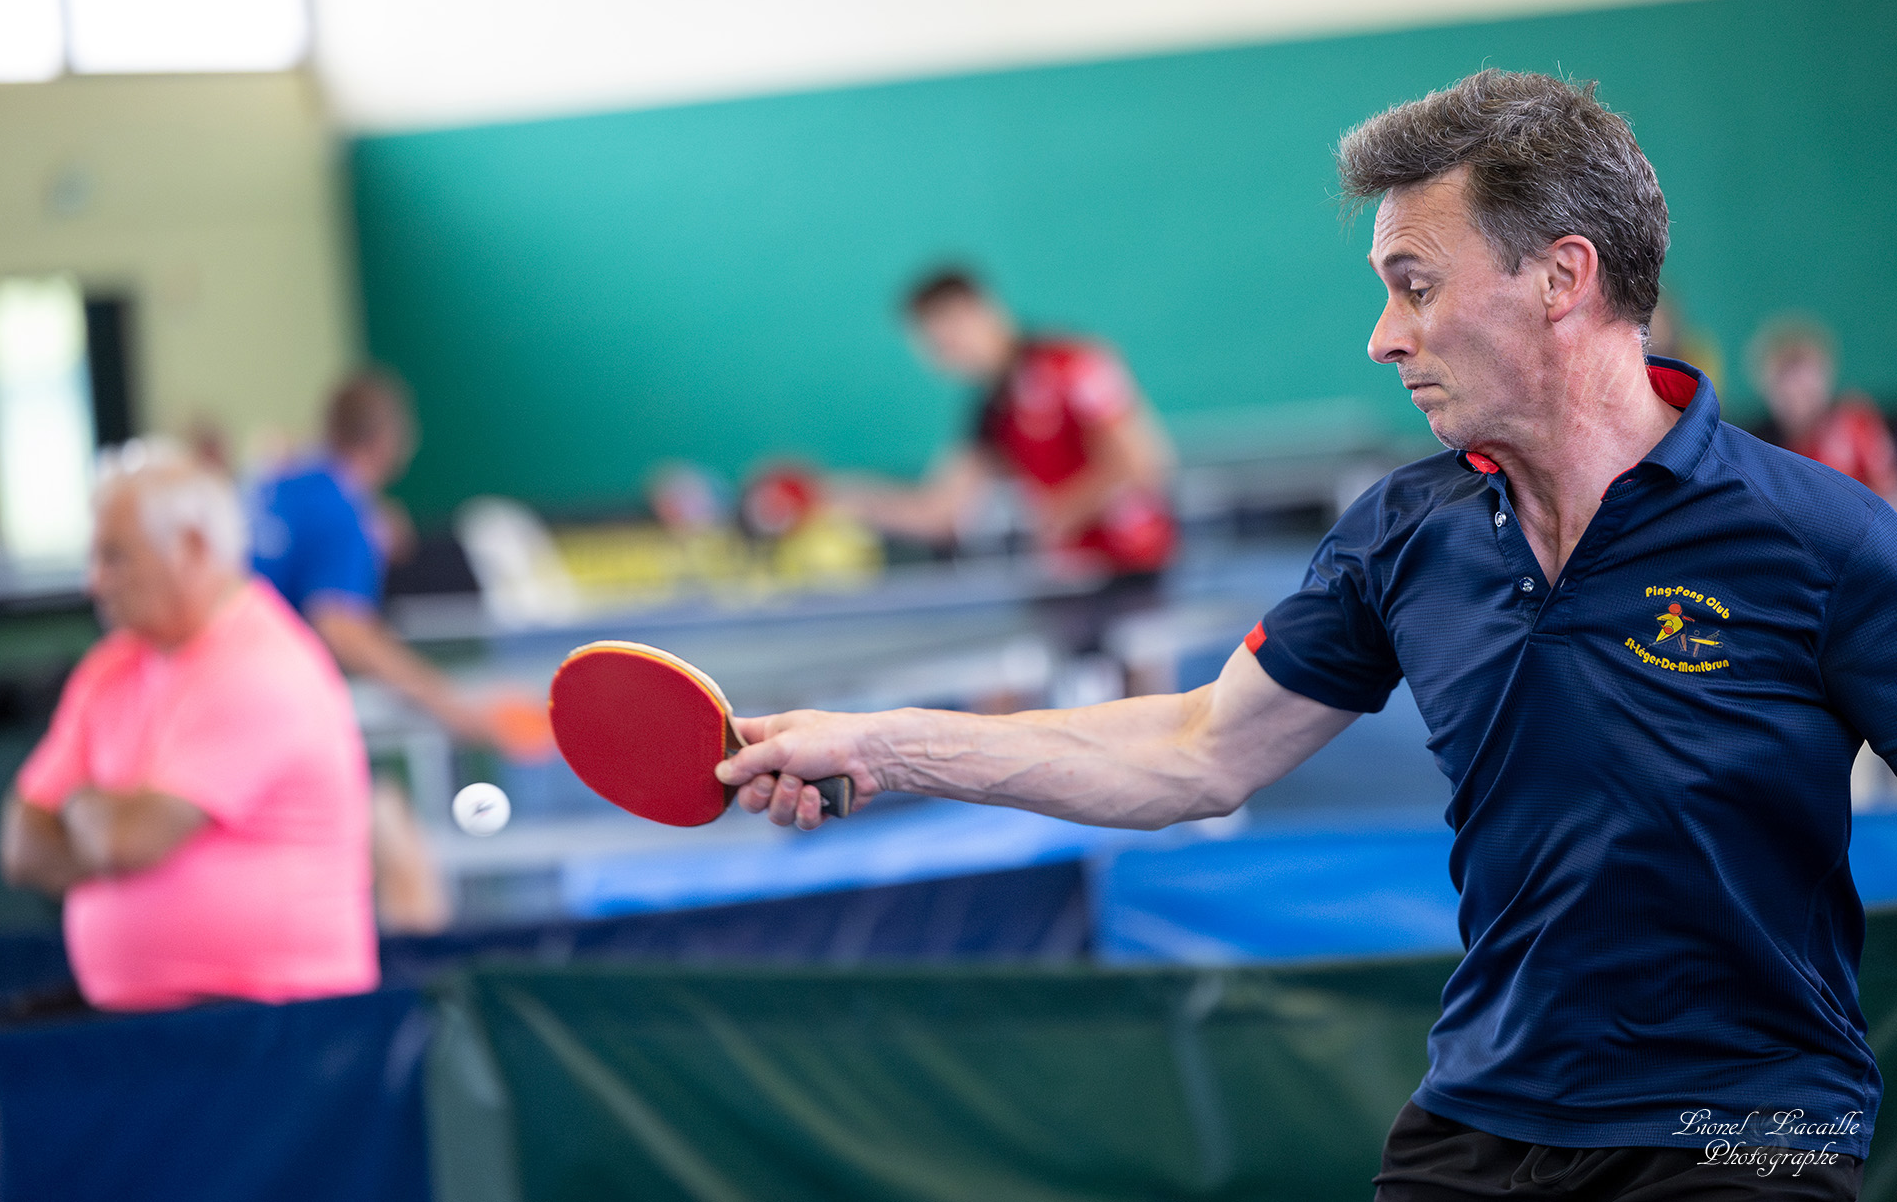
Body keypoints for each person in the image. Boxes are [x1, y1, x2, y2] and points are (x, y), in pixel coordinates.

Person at [717, 71, 1885, 1200]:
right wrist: (881, 745)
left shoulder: (1822, 540)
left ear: (1560, 277)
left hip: (1745, 1128)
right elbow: (1196, 747)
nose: (1382, 336)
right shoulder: (1403, 534)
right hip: (1487, 1115)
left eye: (1414, 286)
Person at [0, 442, 378, 1010]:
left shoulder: (260, 665)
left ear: (192, 547)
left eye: (115, 557)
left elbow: (128, 838)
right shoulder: (110, 668)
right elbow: (21, 845)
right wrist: (109, 841)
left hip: (273, 1024)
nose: (94, 582)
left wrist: (79, 805)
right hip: (141, 1020)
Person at [249, 370, 546, 753]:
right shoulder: (342, 509)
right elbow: (342, 629)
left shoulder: (282, 483)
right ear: (388, 439)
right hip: (263, 700)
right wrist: (455, 709)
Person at [835, 271, 1176, 582]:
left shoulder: (1070, 363)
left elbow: (1144, 462)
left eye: (950, 338)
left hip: (1135, 570)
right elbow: (940, 511)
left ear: (982, 311)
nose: (946, 355)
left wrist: (1058, 514)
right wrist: (840, 496)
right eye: (936, 347)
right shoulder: (990, 411)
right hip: (1066, 581)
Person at [1749, 316, 1897, 503]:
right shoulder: (1760, 450)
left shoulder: (1854, 425)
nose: (1796, 394)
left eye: (1806, 388)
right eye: (1785, 383)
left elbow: (1890, 497)